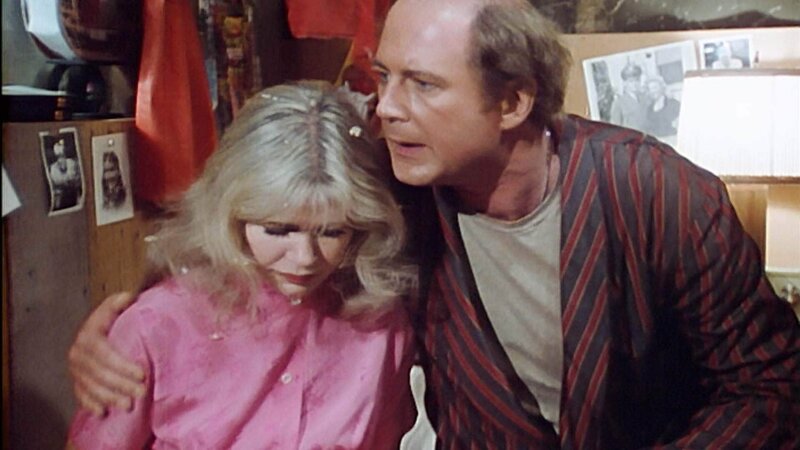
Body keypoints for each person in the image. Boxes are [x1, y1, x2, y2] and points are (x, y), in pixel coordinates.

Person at [69, 0, 800, 448]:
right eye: (383, 77)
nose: (385, 108)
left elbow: (771, 390)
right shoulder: (393, 180)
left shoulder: (656, 192)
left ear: (512, 102)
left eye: (421, 84)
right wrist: (123, 323)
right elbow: (262, 194)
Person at [67, 81, 417, 449]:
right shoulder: (158, 325)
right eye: (278, 230)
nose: (305, 257)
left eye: (332, 232)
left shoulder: (381, 323)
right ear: (230, 216)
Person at [609, 62, 647, 130]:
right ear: (625, 83)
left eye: (637, 80)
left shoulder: (645, 98)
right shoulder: (619, 103)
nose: (635, 84)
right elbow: (615, 127)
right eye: (631, 81)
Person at [49, 137, 82, 210]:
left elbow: (76, 179)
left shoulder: (72, 163)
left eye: (62, 156)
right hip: (61, 196)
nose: (60, 160)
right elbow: (56, 183)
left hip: (74, 193)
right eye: (58, 158)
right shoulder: (53, 169)